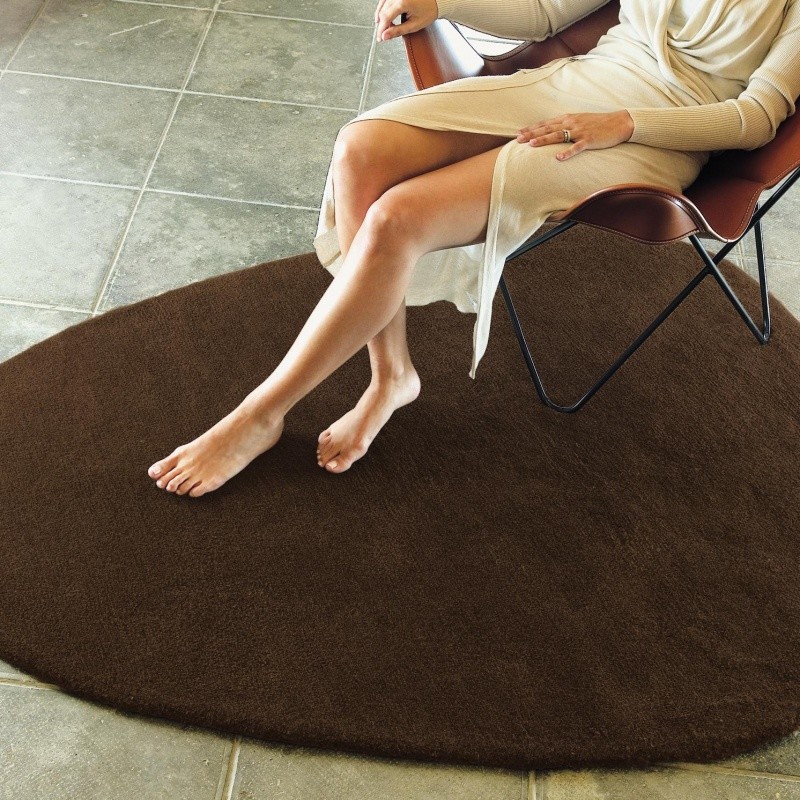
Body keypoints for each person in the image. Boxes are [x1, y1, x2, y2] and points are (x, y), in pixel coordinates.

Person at [147, 0, 800, 497]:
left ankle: (261, 415)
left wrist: (622, 125)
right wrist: (443, 3)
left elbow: (755, 118)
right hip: (584, 82)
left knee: (398, 217)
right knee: (360, 149)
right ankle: (391, 377)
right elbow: (548, 12)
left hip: (657, 135)